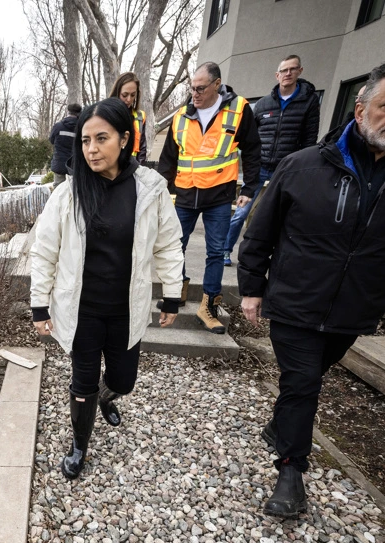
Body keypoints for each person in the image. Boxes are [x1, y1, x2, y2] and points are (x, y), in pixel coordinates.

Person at [238, 56, 385, 519]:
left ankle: (282, 428)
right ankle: (291, 469)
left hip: (354, 308)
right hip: (294, 300)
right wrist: (252, 287)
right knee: (302, 381)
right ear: (361, 108)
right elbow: (260, 232)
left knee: (305, 381)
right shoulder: (302, 166)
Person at [30, 97, 184, 480]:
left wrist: (172, 294)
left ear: (125, 138)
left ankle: (106, 396)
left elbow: (167, 244)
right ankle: (80, 443)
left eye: (101, 138)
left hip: (126, 308)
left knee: (122, 382)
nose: (92, 149)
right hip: (81, 311)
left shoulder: (150, 189)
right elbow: (44, 250)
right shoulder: (69, 193)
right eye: (85, 141)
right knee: (81, 380)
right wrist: (39, 305)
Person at [157, 61, 261, 333]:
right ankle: (176, 291)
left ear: (217, 84)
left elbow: (251, 149)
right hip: (186, 193)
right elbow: (169, 155)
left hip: (218, 194)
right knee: (174, 245)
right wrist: (161, 188)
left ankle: (209, 306)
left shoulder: (239, 110)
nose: (196, 94)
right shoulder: (182, 115)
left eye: (201, 88)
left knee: (216, 252)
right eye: (192, 89)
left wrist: (249, 187)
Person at [224, 54, 320, 267]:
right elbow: (250, 139)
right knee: (241, 213)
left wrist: (302, 169)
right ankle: (224, 250)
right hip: (259, 167)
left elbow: (309, 139)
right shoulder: (264, 104)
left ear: (299, 71)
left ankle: (272, 258)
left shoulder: (308, 102)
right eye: (284, 70)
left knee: (278, 217)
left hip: (286, 169)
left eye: (292, 69)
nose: (288, 74)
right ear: (277, 75)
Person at [109, 72, 148, 164]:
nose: (129, 99)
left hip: (132, 169)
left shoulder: (140, 116)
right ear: (117, 93)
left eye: (133, 95)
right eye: (124, 95)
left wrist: (139, 169)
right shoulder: (106, 114)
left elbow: (142, 149)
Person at [49, 103, 82, 186]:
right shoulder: (81, 128)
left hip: (59, 164)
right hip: (75, 166)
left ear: (68, 112)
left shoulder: (58, 126)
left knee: (58, 191)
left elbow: (52, 140)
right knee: (74, 190)